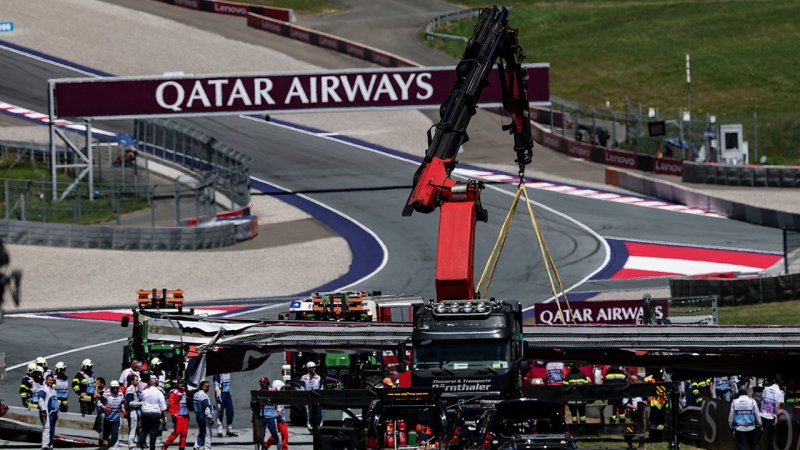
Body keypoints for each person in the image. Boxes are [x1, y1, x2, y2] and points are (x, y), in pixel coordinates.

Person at [729, 385, 762, 450]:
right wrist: (760, 424)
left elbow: (731, 416)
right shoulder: (752, 401)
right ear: (747, 391)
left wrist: (731, 427)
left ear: (739, 392)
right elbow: (757, 414)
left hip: (739, 428)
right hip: (751, 427)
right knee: (754, 445)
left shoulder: (734, 402)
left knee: (742, 446)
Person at [139, 375, 168, 450]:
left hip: (145, 413)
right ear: (156, 384)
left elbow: (141, 400)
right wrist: (164, 416)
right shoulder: (159, 393)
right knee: (153, 432)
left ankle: (140, 445)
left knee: (144, 430)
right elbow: (163, 407)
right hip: (155, 414)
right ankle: (152, 448)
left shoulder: (144, 392)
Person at [97, 380, 126, 450]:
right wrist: (105, 408)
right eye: (113, 388)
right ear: (111, 388)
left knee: (115, 432)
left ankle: (114, 446)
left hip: (116, 417)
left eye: (116, 387)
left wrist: (123, 409)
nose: (115, 389)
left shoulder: (121, 393)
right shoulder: (106, 393)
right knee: (106, 434)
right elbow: (98, 402)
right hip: (107, 417)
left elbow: (122, 402)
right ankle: (105, 444)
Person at [760, 374, 785, 450]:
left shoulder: (766, 389)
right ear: (781, 381)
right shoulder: (780, 392)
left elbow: (762, 400)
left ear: (774, 380)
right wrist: (777, 419)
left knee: (758, 436)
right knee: (770, 438)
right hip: (771, 417)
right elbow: (778, 406)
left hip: (763, 415)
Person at [164, 379, 189, 450]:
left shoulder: (184, 392)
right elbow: (171, 403)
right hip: (178, 415)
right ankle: (165, 445)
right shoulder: (174, 392)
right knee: (177, 432)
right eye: (180, 383)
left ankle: (182, 447)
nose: (182, 384)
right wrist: (173, 414)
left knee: (184, 432)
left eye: (182, 383)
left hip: (185, 415)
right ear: (177, 384)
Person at [37, 373, 59, 450]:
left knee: (52, 429)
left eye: (52, 380)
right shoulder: (43, 389)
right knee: (47, 428)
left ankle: (50, 444)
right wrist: (43, 410)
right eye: (49, 380)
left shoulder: (53, 390)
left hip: (53, 413)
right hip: (46, 412)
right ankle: (45, 446)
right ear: (46, 380)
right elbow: (40, 400)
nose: (50, 381)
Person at [300, 361, 323, 432]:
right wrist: (304, 394)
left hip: (317, 398)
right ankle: (310, 427)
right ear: (308, 369)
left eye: (314, 368)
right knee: (309, 413)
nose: (313, 369)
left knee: (319, 413)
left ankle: (319, 427)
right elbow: (301, 387)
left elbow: (321, 386)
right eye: (311, 368)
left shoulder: (318, 377)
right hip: (308, 398)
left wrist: (321, 393)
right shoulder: (304, 377)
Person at [258, 377, 280, 450]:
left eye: (263, 383)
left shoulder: (272, 391)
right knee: (261, 434)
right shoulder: (258, 392)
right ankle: (261, 447)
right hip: (262, 416)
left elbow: (278, 396)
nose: (261, 384)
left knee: (274, 432)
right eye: (260, 383)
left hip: (271, 416)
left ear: (267, 383)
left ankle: (278, 442)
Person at [193, 380, 215, 450]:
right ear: (202, 386)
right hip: (204, 416)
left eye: (208, 386)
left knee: (202, 431)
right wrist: (210, 418)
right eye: (206, 386)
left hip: (197, 415)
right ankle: (207, 447)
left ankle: (196, 446)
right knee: (207, 433)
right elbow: (206, 407)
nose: (208, 388)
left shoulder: (196, 394)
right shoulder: (203, 395)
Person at [213, 373, 235, 437]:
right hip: (220, 393)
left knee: (230, 411)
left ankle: (229, 429)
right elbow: (216, 384)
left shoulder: (229, 372)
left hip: (227, 393)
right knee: (220, 412)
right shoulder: (218, 373)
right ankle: (220, 430)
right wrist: (217, 396)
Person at [124, 374, 143, 449]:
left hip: (137, 411)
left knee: (138, 428)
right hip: (132, 412)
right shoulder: (130, 389)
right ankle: (131, 444)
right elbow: (130, 403)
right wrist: (141, 403)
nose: (138, 382)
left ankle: (138, 442)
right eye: (136, 380)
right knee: (133, 428)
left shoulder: (135, 388)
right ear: (132, 381)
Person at [271, 380, 289, 450]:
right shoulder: (271, 395)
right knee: (274, 436)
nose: (283, 390)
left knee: (285, 434)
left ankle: (284, 449)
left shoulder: (282, 395)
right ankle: (266, 446)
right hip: (276, 418)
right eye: (282, 388)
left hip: (282, 419)